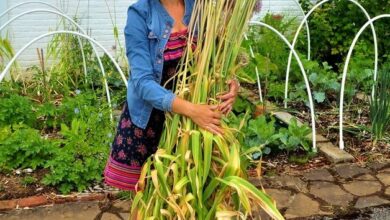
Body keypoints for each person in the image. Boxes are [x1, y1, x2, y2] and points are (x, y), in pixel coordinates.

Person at [103, 0, 239, 193]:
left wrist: (231, 82)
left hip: (193, 127)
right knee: (152, 199)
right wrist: (193, 111)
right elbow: (143, 83)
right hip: (151, 122)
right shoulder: (140, 14)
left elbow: (215, 58)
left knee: (196, 195)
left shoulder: (200, 7)